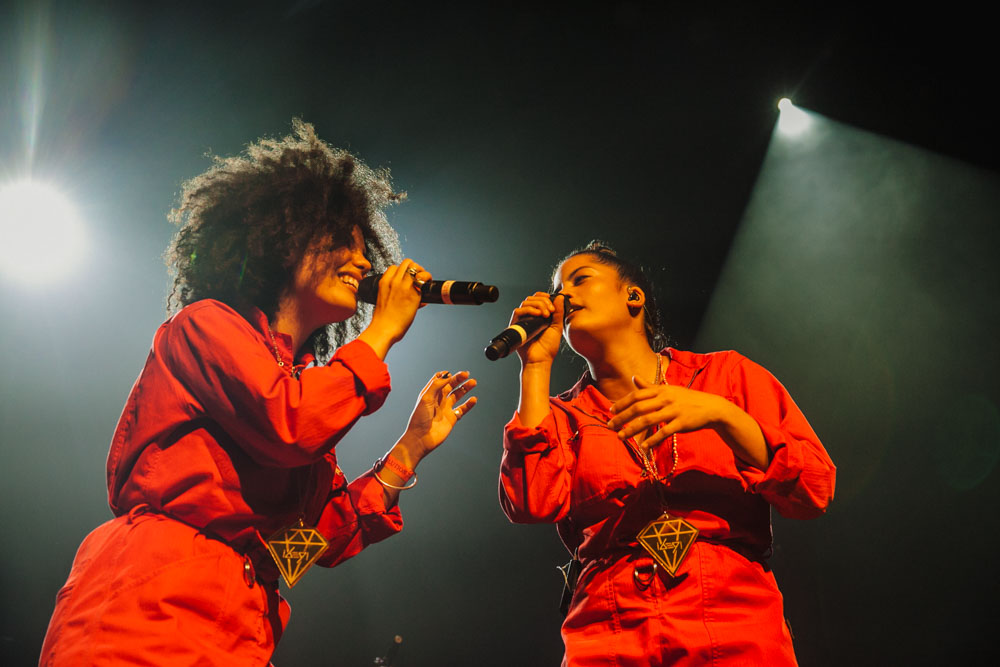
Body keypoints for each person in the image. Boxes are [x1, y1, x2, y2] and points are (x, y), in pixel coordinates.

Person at [39, 119, 477, 665]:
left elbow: (310, 544)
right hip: (149, 610)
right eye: (344, 243)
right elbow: (289, 424)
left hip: (240, 623)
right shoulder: (205, 326)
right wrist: (382, 331)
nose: (366, 263)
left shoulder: (299, 379)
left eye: (365, 249)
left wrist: (409, 450)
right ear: (286, 242)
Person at [499, 241, 835, 666]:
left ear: (633, 296)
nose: (562, 297)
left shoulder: (723, 376)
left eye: (579, 280)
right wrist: (534, 367)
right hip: (607, 632)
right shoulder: (563, 416)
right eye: (556, 290)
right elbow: (529, 504)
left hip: (732, 623)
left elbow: (814, 490)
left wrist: (723, 416)